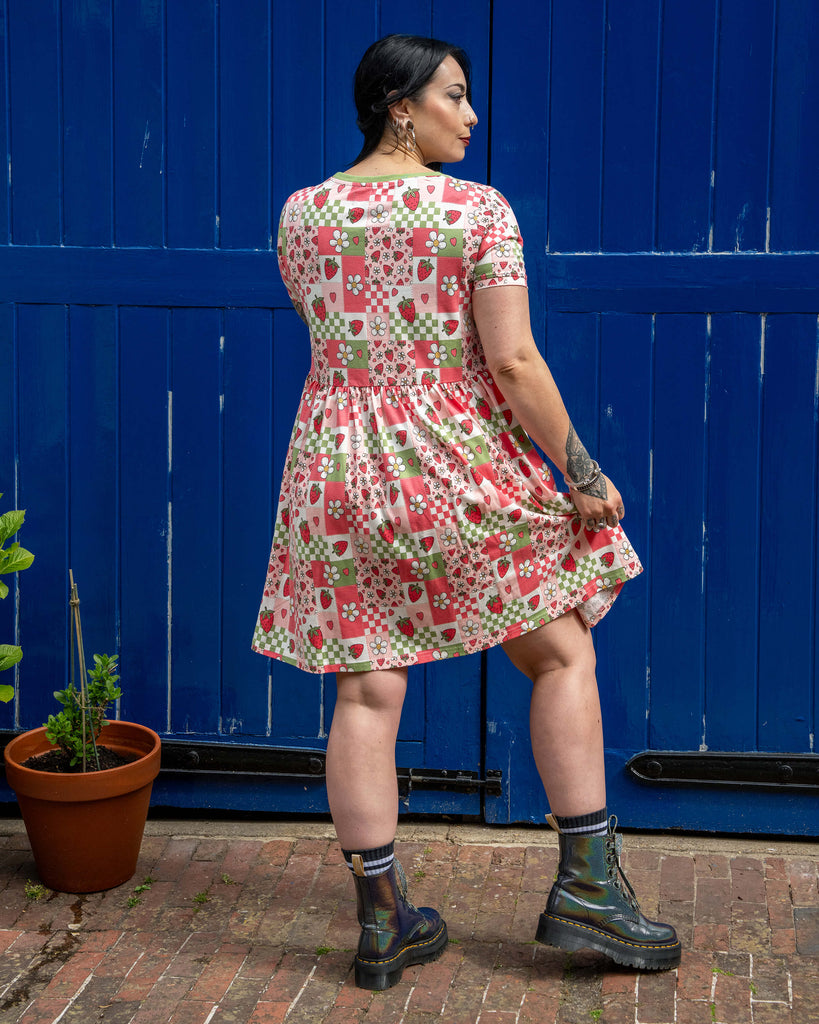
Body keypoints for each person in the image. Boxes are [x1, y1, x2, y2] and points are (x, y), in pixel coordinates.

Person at [253, 34, 681, 989]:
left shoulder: (301, 214)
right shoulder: (475, 211)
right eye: (455, 96)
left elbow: (339, 340)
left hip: (334, 472)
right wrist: (579, 474)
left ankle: (380, 924)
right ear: (399, 106)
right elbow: (513, 362)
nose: (471, 115)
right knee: (561, 651)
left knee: (367, 690)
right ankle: (588, 894)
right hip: (452, 469)